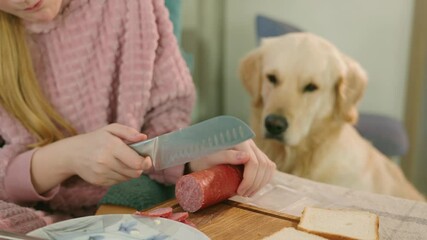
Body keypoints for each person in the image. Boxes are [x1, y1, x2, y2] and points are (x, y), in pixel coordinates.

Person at [0, 0, 276, 233]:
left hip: (117, 210)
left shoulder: (130, 8)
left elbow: (164, 119)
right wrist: (68, 156)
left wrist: (194, 158)